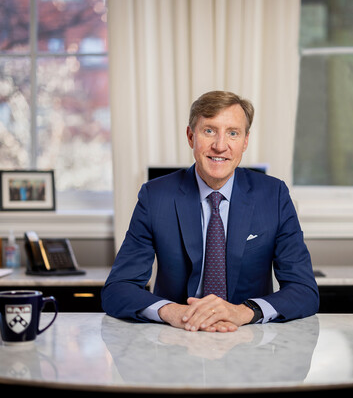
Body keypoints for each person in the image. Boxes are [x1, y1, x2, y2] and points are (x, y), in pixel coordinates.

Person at [102, 90, 319, 332]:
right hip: (176, 336)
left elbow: (304, 290)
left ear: (245, 141)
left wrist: (244, 311)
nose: (220, 146)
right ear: (190, 136)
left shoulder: (273, 195)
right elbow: (118, 289)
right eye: (209, 131)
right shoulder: (156, 196)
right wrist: (174, 312)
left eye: (233, 133)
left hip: (248, 337)